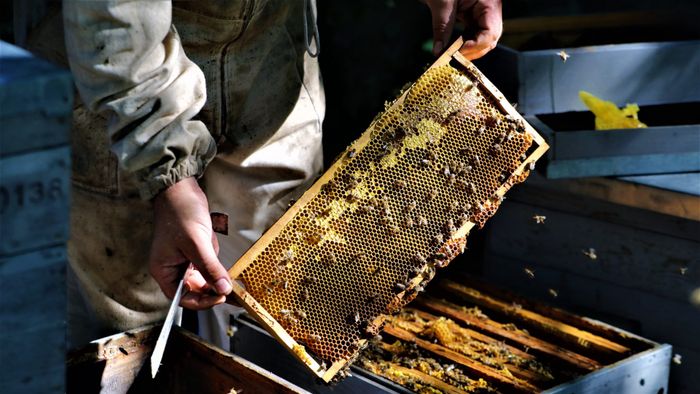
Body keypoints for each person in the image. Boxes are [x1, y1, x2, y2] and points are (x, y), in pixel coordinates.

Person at [19, 0, 502, 350]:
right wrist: (166, 172)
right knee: (125, 343)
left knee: (285, 311)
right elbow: (114, 17)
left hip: (274, 50)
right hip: (119, 73)